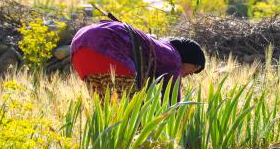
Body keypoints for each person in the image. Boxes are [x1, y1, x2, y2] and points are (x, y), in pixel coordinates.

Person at [70, 20, 205, 96]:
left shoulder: (156, 46)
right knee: (130, 114)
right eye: (194, 67)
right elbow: (172, 99)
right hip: (108, 49)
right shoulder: (173, 56)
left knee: (106, 110)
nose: (192, 74)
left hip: (79, 49)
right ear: (186, 56)